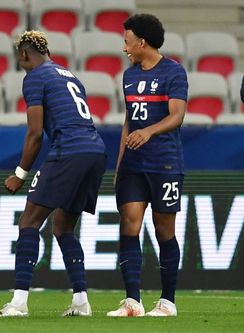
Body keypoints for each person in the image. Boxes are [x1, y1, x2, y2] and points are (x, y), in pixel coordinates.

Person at [0, 31, 107, 317]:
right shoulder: (69, 75)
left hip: (69, 150)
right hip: (95, 151)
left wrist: (20, 173)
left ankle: (18, 303)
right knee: (63, 227)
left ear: (25, 54)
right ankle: (81, 301)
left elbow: (34, 134)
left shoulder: (35, 77)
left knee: (29, 222)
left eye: (19, 58)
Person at [106, 14, 188, 317]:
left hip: (165, 162)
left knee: (163, 229)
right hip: (133, 164)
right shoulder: (129, 75)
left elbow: (177, 115)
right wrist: (119, 165)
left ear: (142, 41)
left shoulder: (174, 73)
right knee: (129, 224)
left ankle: (167, 302)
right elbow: (129, 121)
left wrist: (149, 131)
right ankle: (132, 301)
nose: (124, 46)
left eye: (127, 40)